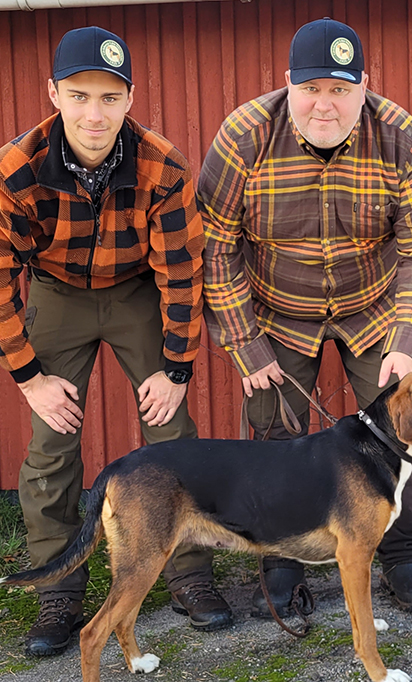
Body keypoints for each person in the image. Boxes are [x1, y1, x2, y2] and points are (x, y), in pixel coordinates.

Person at [198, 18, 412, 617]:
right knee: (274, 433)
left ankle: (402, 556)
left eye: (340, 89)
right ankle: (282, 562)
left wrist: (408, 339)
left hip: (374, 309)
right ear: (288, 82)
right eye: (311, 88)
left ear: (363, 86)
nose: (324, 104)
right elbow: (215, 246)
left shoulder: (399, 136)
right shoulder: (245, 135)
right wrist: (246, 344)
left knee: (403, 427)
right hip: (279, 311)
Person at [0, 26, 231, 657]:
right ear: (54, 94)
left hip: (136, 289)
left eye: (109, 97)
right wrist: (30, 378)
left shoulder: (163, 165)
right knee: (51, 443)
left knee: (171, 433)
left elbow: (181, 271)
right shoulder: (16, 170)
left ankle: (188, 574)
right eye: (79, 96)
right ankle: (58, 588)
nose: (94, 114)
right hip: (57, 291)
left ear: (130, 97)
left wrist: (176, 369)